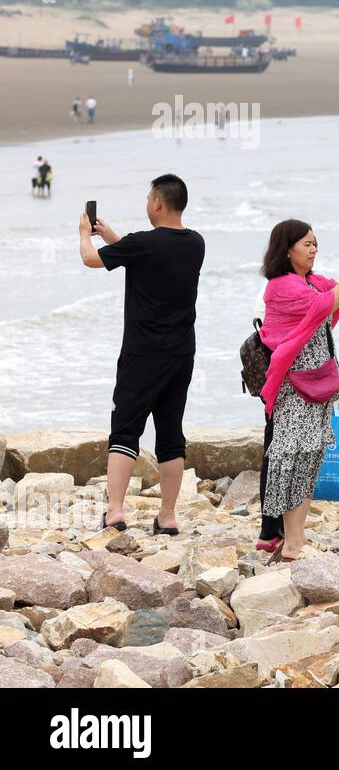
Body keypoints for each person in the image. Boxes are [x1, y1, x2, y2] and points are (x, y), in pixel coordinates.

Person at [78, 175, 205, 535]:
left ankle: (115, 512)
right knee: (170, 433)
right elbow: (148, 258)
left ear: (159, 204)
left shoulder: (143, 245)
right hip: (181, 354)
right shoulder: (196, 243)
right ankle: (167, 518)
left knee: (125, 430)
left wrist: (85, 233)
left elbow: (91, 260)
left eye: (149, 199)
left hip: (142, 354)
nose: (146, 204)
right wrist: (115, 238)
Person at [256, 222, 339, 560]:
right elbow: (324, 304)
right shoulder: (281, 286)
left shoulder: (312, 280)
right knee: (290, 458)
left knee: (309, 458)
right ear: (287, 250)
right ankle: (287, 538)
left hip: (319, 383)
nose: (313, 249)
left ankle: (296, 540)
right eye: (306, 244)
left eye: (315, 244)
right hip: (293, 386)